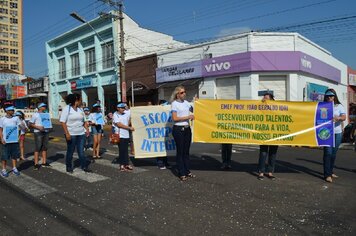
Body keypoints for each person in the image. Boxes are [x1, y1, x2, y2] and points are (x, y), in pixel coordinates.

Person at [60, 93, 92, 173]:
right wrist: (67, 133)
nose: (81, 101)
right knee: (70, 151)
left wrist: (87, 129)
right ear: (76, 100)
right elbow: (63, 122)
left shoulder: (80, 109)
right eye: (80, 99)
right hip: (71, 133)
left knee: (81, 151)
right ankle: (69, 166)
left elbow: (84, 121)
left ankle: (84, 166)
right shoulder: (67, 108)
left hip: (81, 133)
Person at [171, 86, 195, 181]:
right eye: (181, 92)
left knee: (186, 152)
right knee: (180, 152)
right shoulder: (174, 104)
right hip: (178, 129)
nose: (184, 94)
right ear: (177, 94)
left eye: (184, 92)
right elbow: (175, 118)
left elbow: (195, 109)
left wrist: (197, 102)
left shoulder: (187, 103)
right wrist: (188, 117)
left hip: (187, 129)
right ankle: (181, 172)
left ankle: (187, 170)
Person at [323, 88, 346, 183]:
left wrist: (338, 118)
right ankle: (327, 174)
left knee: (333, 153)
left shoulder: (339, 106)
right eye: (328, 96)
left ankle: (331, 171)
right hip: (326, 133)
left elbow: (344, 117)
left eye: (331, 96)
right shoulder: (322, 105)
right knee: (328, 153)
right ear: (325, 96)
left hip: (337, 132)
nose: (329, 97)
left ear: (334, 96)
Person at [257, 92, 279, 180]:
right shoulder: (261, 106)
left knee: (273, 153)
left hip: (274, 133)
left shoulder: (277, 107)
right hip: (264, 133)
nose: (264, 99)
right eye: (264, 98)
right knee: (263, 153)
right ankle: (261, 172)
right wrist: (261, 103)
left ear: (271, 99)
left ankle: (270, 172)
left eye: (266, 98)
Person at [0, 104, 21, 177]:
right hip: (6, 141)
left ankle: (14, 168)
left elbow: (20, 127)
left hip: (14, 140)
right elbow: (0, 130)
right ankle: (3, 169)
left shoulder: (16, 118)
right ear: (7, 111)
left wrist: (19, 135)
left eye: (13, 110)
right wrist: (1, 138)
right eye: (11, 110)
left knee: (14, 155)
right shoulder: (2, 119)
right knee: (4, 156)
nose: (13, 111)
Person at [113, 102, 135, 171]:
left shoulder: (126, 114)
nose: (123, 109)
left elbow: (128, 121)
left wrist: (129, 124)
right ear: (117, 108)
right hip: (120, 135)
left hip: (126, 135)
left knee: (126, 150)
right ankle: (122, 165)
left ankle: (127, 164)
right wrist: (129, 128)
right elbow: (119, 124)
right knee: (122, 150)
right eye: (121, 108)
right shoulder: (115, 114)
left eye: (123, 108)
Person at [29, 103, 51, 170]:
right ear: (39, 107)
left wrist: (49, 127)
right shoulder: (35, 115)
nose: (45, 107)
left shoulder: (46, 114)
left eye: (45, 106)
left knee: (45, 147)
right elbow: (30, 124)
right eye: (43, 106)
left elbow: (48, 122)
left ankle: (44, 162)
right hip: (38, 132)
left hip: (46, 132)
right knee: (38, 148)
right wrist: (38, 127)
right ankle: (36, 164)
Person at [157, 100, 171, 169]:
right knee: (160, 149)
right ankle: (160, 163)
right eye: (164, 105)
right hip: (158, 133)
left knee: (165, 149)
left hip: (166, 133)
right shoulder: (156, 111)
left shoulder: (168, 111)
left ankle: (166, 162)